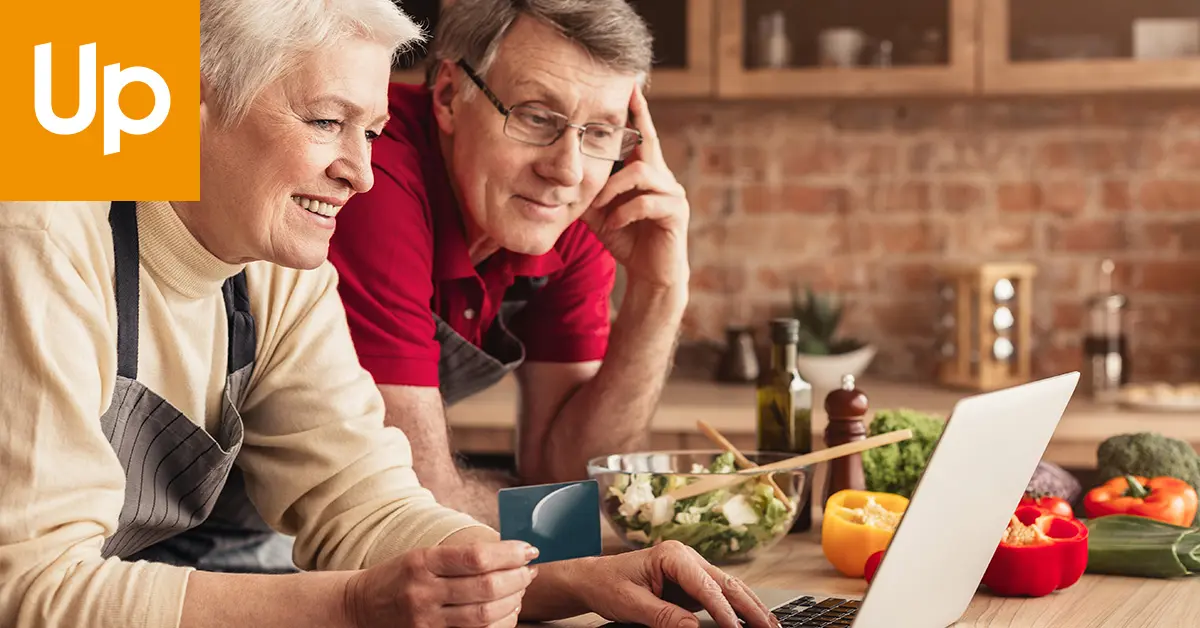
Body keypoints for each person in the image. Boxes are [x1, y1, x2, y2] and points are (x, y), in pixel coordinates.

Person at [0, 1, 777, 627]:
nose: (360, 173)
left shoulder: (281, 268)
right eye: (324, 121)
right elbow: (27, 590)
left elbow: (370, 503)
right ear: (189, 99)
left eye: (370, 131)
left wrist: (572, 579)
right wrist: (352, 605)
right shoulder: (44, 234)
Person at [328, 0, 690, 526]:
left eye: (599, 132)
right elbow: (417, 505)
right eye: (536, 117)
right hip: (240, 528)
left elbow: (578, 476)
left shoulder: (572, 213)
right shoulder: (375, 177)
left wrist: (659, 292)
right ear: (449, 96)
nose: (567, 171)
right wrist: (563, 517)